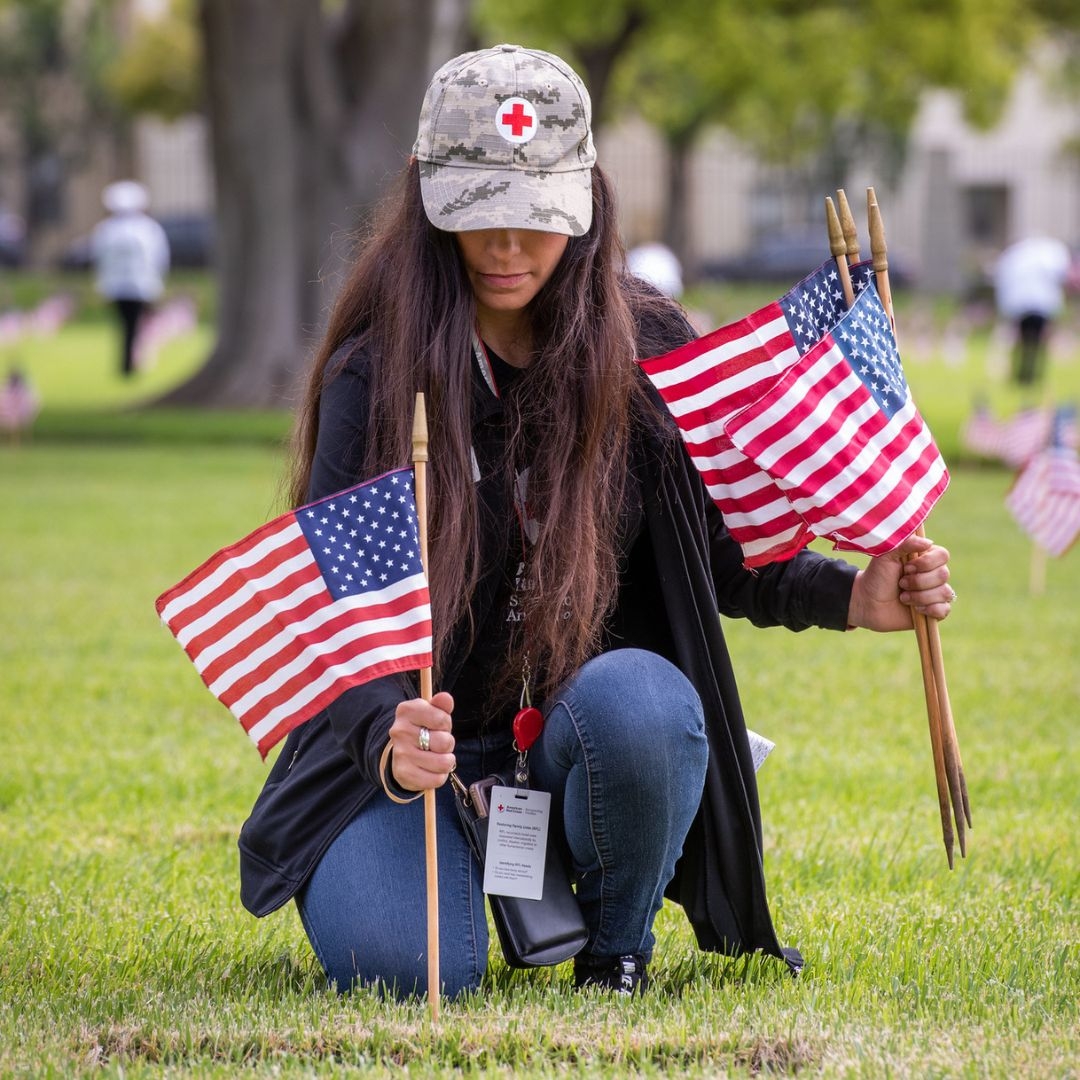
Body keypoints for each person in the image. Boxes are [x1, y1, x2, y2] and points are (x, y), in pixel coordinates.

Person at [237, 44, 955, 1000]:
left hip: (570, 733)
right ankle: (432, 848)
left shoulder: (648, 349)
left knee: (649, 705)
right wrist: (386, 738)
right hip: (409, 756)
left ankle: (615, 947)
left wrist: (849, 594)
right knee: (412, 971)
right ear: (426, 201)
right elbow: (336, 609)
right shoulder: (375, 376)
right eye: (479, 212)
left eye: (535, 218)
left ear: (586, 202)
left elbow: (720, 553)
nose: (506, 248)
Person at [91, 180, 170, 377]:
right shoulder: (148, 229)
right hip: (140, 286)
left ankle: (128, 362)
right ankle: (132, 361)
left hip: (119, 287)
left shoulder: (107, 230)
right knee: (134, 325)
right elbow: (160, 257)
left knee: (128, 326)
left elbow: (99, 259)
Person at [992, 235, 1077, 386]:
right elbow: (1063, 278)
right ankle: (1033, 374)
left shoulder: (1017, 255)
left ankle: (1022, 374)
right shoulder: (1054, 254)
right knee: (1037, 340)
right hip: (1040, 304)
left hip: (1020, 303)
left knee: (1024, 340)